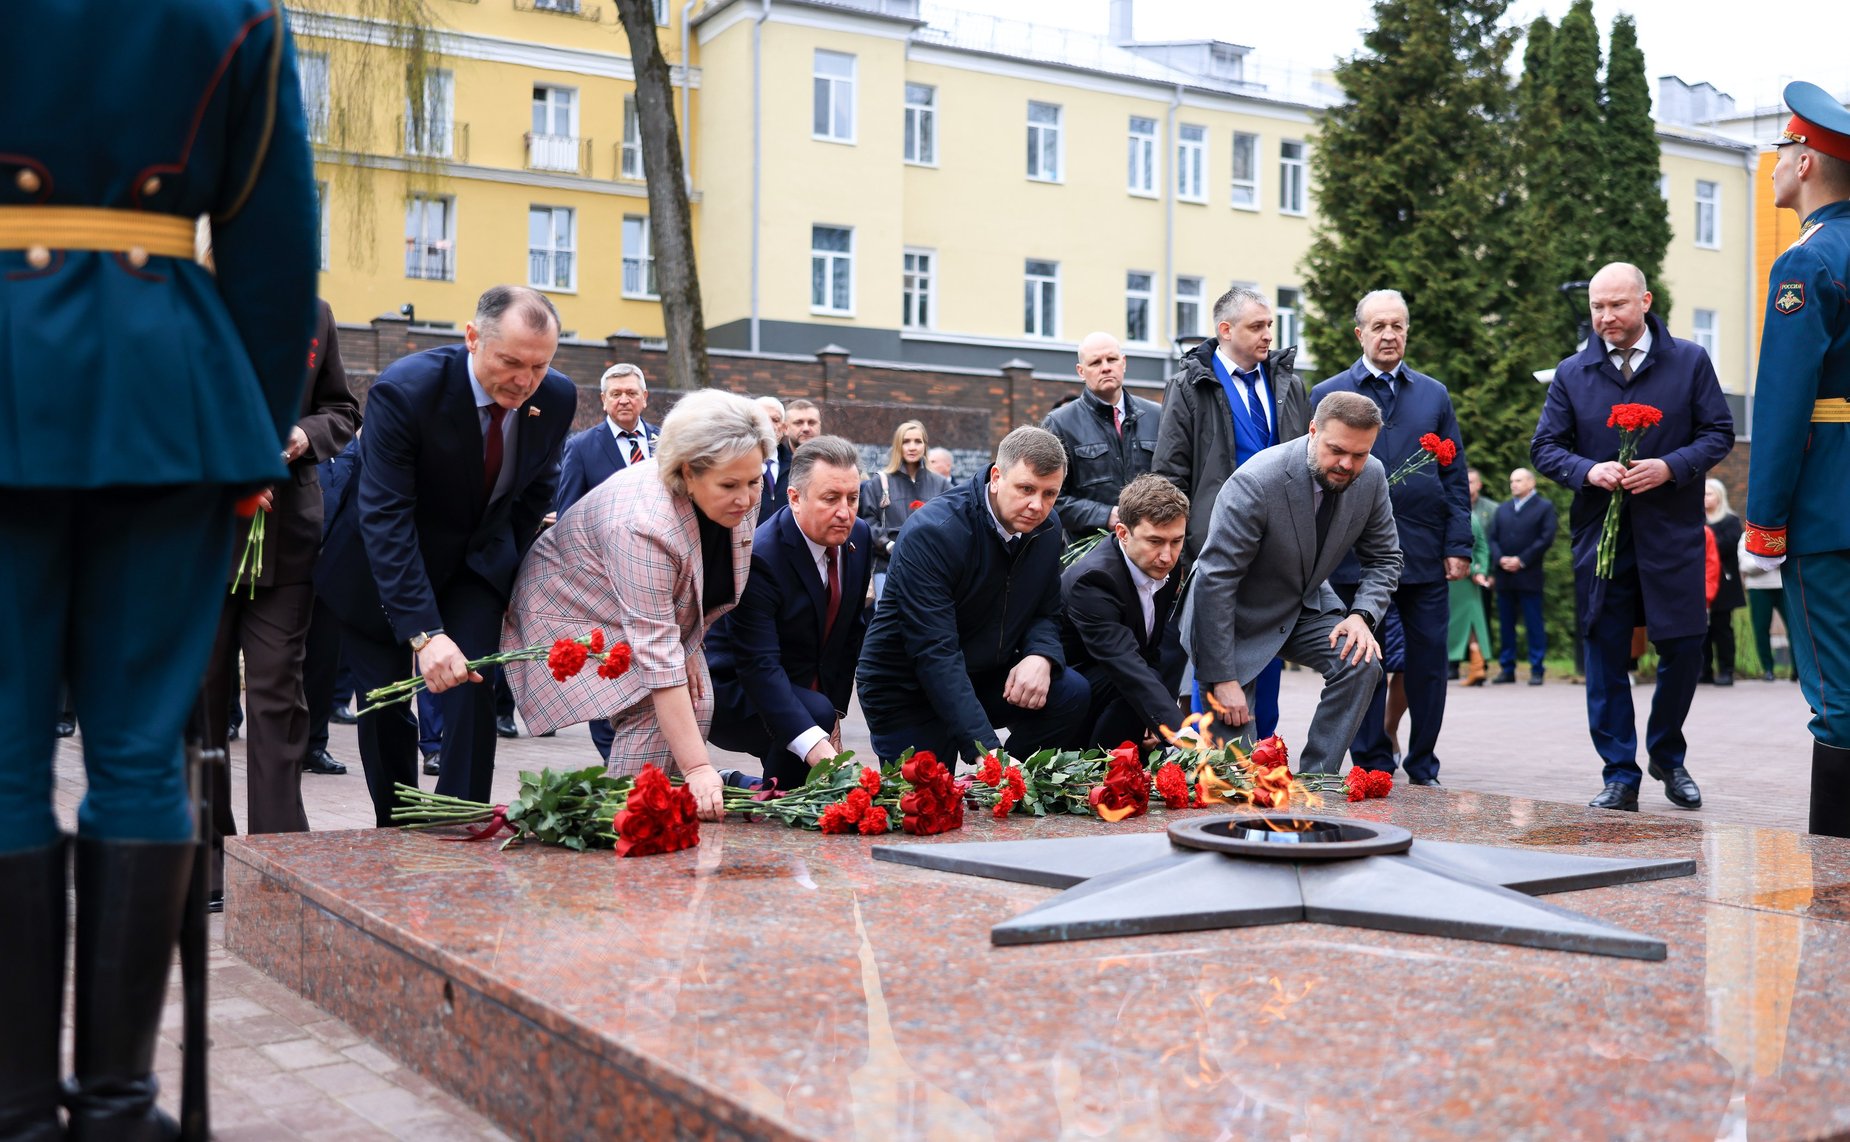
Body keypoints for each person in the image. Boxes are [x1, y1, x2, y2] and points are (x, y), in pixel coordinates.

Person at [0, 1, 317, 1134]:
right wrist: (251, 422)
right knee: (138, 754)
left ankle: (19, 1110)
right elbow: (278, 255)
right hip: (167, 391)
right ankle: (124, 1106)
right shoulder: (231, 11)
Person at [315, 285, 576, 827]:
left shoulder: (555, 398)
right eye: (510, 363)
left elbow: (535, 493)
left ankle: (459, 819)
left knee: (474, 683)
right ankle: (401, 823)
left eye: (539, 366)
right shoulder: (405, 392)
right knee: (386, 703)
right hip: (377, 566)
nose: (525, 382)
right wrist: (424, 633)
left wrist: (507, 577)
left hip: (472, 565)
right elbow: (385, 516)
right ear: (473, 338)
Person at [502, 390, 775, 819]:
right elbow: (657, 656)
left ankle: (651, 809)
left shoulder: (738, 490)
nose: (745, 499)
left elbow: (705, 583)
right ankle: (626, 819)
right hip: (573, 605)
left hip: (640, 604)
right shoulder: (644, 522)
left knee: (699, 700)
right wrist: (699, 767)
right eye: (730, 485)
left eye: (753, 481)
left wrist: (687, 645)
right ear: (688, 472)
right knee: (652, 705)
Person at [1532, 261, 1734, 813]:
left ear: (1645, 302)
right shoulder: (1574, 372)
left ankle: (1667, 754)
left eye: (1617, 305)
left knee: (1686, 646)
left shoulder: (1689, 361)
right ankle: (1620, 773)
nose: (1605, 317)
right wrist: (1588, 471)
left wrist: (1670, 467)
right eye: (1597, 307)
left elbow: (1719, 432)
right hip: (1603, 538)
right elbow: (1545, 447)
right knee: (1603, 653)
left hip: (1673, 535)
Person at [203, 299, 359, 888]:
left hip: (287, 538)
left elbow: (342, 409)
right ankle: (209, 856)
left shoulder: (313, 314)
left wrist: (302, 435)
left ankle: (276, 857)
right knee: (205, 698)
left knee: (277, 695)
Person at [1183, 392, 1402, 773]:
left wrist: (1362, 616)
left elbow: (1385, 558)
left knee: (1360, 662)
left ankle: (1317, 782)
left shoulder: (1372, 476)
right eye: (1336, 450)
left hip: (1303, 605)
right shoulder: (1257, 481)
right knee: (1234, 776)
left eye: (1360, 454)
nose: (1347, 464)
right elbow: (1216, 582)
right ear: (1313, 430)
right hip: (1231, 617)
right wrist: (1222, 679)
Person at [1742, 81, 1850, 837]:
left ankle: (1837, 868)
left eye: (1781, 148)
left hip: (1827, 504)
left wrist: (1764, 519)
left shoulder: (1805, 263)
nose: (1774, 161)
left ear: (1806, 161)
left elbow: (1782, 406)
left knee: (1838, 692)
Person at [857, 426, 1091, 769]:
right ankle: (996, 773)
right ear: (996, 477)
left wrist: (1041, 655)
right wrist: (987, 752)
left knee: (1070, 691)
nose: (1036, 505)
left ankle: (1014, 783)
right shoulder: (935, 533)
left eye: (1049, 493)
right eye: (1026, 488)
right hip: (907, 688)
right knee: (930, 807)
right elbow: (935, 651)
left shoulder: (1047, 529)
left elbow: (1045, 611)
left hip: (981, 673)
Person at [1311, 290, 1471, 786]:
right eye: (1378, 326)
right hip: (1352, 557)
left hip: (1423, 551)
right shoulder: (1329, 393)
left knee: (1428, 666)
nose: (1389, 335)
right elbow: (1310, 473)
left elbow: (1454, 473)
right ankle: (1373, 761)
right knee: (1362, 661)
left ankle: (1424, 762)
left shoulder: (1433, 394)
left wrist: (1458, 544)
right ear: (1360, 333)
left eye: (1397, 326)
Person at [1155, 286, 1312, 740]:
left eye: (1270, 326)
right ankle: (1216, 767)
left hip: (1280, 549)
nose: (1269, 336)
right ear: (1225, 330)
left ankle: (1264, 760)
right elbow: (1169, 474)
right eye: (1257, 326)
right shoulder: (1189, 384)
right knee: (1216, 658)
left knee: (1268, 660)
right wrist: (1179, 546)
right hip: (1215, 545)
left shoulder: (1288, 384)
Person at [706, 436, 873, 791]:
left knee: (816, 721)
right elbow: (758, 666)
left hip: (800, 688)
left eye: (853, 498)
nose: (845, 512)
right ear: (795, 498)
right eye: (831, 499)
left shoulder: (858, 537)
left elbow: (848, 635)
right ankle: (774, 793)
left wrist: (837, 716)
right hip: (733, 690)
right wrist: (817, 745)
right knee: (813, 715)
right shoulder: (761, 556)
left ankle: (747, 786)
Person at [1061, 474, 1191, 748]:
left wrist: (1155, 719)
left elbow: (1150, 653)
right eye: (1154, 541)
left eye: (1176, 541)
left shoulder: (1163, 568)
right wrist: (1177, 730)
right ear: (1122, 533)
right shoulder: (1094, 580)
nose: (1167, 556)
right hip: (1068, 699)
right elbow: (1124, 662)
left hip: (1118, 682)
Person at [1042, 331, 1161, 543]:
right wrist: (1105, 515)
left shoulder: (1157, 416)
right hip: (1090, 553)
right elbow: (1047, 498)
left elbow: (1176, 482)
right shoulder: (1060, 424)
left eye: (1112, 359)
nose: (1105, 367)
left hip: (1151, 546)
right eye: (1095, 362)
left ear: (1123, 363)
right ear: (1081, 371)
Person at [859, 419, 951, 602]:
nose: (912, 447)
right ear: (897, 445)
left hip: (928, 567)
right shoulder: (879, 482)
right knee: (887, 623)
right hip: (887, 565)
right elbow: (868, 522)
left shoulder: (941, 484)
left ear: (925, 446)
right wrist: (887, 544)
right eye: (906, 441)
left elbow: (950, 523)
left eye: (918, 441)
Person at [554, 362, 657, 520]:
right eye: (616, 394)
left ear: (644, 397)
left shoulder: (666, 441)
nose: (624, 400)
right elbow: (568, 516)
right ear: (604, 400)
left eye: (631, 393)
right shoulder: (580, 448)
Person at [1488, 468, 1558, 685]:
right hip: (1505, 576)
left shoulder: (1544, 507)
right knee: (1506, 625)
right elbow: (1492, 538)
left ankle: (1537, 668)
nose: (1513, 485)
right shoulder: (1503, 508)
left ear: (1531, 482)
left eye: (1518, 480)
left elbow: (1545, 538)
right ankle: (1507, 668)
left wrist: (1521, 559)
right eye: (1511, 481)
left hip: (1528, 574)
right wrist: (1500, 559)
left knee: (1533, 623)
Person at [1701, 478, 1745, 687]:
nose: (1705, 498)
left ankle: (1726, 670)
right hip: (1700, 583)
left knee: (1722, 628)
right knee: (1702, 630)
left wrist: (1707, 541)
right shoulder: (1696, 521)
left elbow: (1727, 545)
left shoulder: (1730, 520)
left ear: (1719, 496)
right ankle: (1704, 669)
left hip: (1723, 584)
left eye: (1709, 493)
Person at [1447, 503, 1493, 687]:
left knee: (1461, 621)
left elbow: (1476, 546)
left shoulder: (1460, 517)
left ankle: (1477, 665)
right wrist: (1479, 569)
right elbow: (1482, 547)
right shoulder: (1471, 515)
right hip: (1465, 577)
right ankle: (1477, 665)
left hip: (1456, 577)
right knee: (1472, 621)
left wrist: (1475, 570)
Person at [1739, 528, 1791, 682]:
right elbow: (1745, 566)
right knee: (1761, 629)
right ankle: (1767, 669)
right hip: (1758, 588)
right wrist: (1772, 560)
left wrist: (1766, 559)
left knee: (1795, 628)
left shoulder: (1786, 532)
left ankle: (1798, 671)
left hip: (1783, 586)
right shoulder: (1747, 536)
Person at [757, 395, 793, 520]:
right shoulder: (737, 465)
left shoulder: (796, 467)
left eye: (775, 420)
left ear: (784, 428)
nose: (769, 425)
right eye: (762, 419)